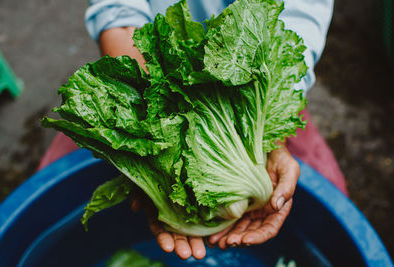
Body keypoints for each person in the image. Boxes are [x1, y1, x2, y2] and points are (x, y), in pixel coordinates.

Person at [39, 0, 347, 261]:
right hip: (143, 69)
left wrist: (267, 134)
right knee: (49, 189)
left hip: (252, 94)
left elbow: (293, 25)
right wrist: (162, 121)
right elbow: (119, 16)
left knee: (333, 200)